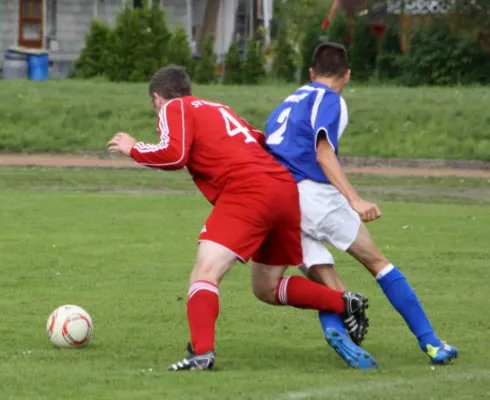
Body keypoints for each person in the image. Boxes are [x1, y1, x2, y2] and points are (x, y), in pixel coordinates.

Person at [107, 65, 369, 371]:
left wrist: (133, 148)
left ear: (157, 98)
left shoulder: (174, 107)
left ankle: (201, 354)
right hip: (281, 189)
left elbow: (174, 155)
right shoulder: (219, 108)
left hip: (247, 192)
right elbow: (261, 139)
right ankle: (344, 302)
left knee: (205, 272)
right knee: (266, 288)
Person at [263, 42, 458, 368]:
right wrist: (354, 199)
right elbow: (323, 152)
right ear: (347, 74)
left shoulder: (287, 102)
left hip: (278, 200)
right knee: (378, 263)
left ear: (311, 73)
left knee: (325, 281)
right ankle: (432, 343)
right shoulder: (331, 99)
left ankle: (340, 336)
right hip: (313, 196)